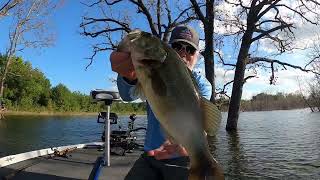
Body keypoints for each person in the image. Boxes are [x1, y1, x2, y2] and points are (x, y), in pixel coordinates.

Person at [110, 25, 212, 180]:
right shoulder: (151, 68)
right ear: (169, 50)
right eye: (177, 46)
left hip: (183, 157)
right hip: (150, 155)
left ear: (197, 55)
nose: (183, 52)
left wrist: (193, 152)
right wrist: (128, 76)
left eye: (190, 49)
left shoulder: (202, 85)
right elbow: (127, 96)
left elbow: (202, 124)